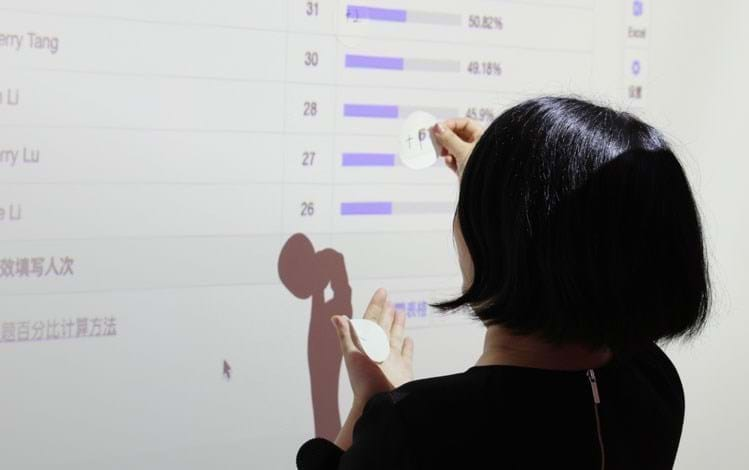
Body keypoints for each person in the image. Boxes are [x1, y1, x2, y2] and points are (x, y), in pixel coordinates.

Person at [296, 97, 710, 470]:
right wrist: (496, 185)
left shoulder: (415, 430)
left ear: (496, 241)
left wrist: (369, 403)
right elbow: (595, 234)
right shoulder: (653, 384)